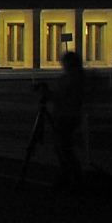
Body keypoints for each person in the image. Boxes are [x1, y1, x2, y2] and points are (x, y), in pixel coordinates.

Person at [46, 51, 85, 190]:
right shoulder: (78, 78)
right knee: (63, 148)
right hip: (69, 116)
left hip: (64, 116)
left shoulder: (70, 79)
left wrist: (48, 94)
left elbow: (62, 96)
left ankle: (72, 177)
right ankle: (69, 176)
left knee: (63, 149)